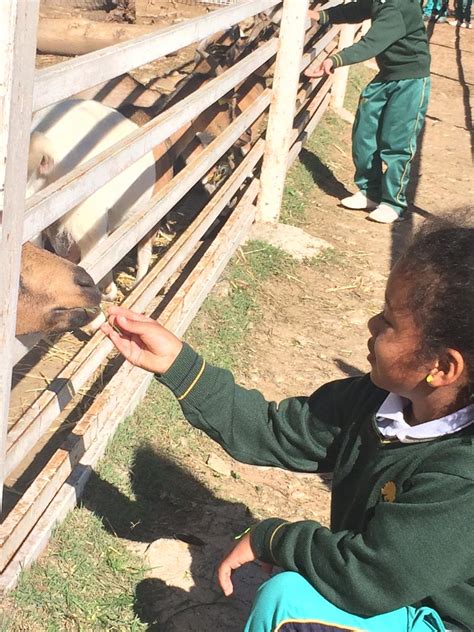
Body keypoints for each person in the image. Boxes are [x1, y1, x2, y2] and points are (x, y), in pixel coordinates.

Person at [101, 216, 474, 631]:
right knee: (299, 581)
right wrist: (178, 364)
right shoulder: (376, 402)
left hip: (443, 619)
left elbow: (370, 577)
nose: (372, 324)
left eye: (388, 321)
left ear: (441, 367)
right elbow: (274, 431)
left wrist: (274, 539)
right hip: (397, 593)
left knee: (289, 601)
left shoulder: (462, 475)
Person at [304, 1, 431, 224]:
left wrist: (335, 60)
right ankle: (370, 192)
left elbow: (371, 44)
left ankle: (393, 203)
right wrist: (320, 15)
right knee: (364, 132)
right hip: (387, 75)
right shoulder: (380, 1)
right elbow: (357, 9)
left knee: (397, 141)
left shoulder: (399, 7)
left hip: (410, 79)